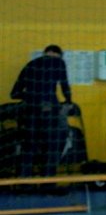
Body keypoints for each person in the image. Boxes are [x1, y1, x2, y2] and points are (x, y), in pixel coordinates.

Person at [11, 44, 72, 177]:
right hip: (49, 112)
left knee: (28, 149)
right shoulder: (59, 63)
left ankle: (24, 183)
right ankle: (47, 183)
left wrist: (32, 97)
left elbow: (14, 93)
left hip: (30, 113)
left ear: (45, 53)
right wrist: (68, 101)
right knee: (51, 149)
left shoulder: (30, 65)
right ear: (58, 55)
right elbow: (65, 86)